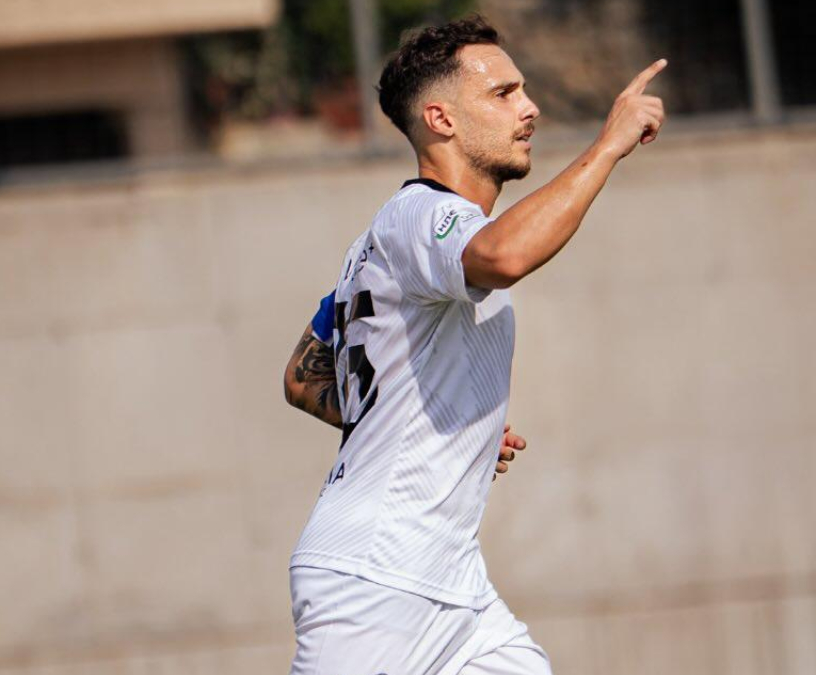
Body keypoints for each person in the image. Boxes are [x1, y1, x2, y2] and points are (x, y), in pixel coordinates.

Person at [282, 15, 666, 675]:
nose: (529, 107)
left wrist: (444, 421)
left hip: (449, 581)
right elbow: (504, 255)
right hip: (379, 577)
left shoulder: (387, 239)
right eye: (503, 93)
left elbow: (301, 375)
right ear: (441, 119)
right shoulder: (423, 215)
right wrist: (607, 146)